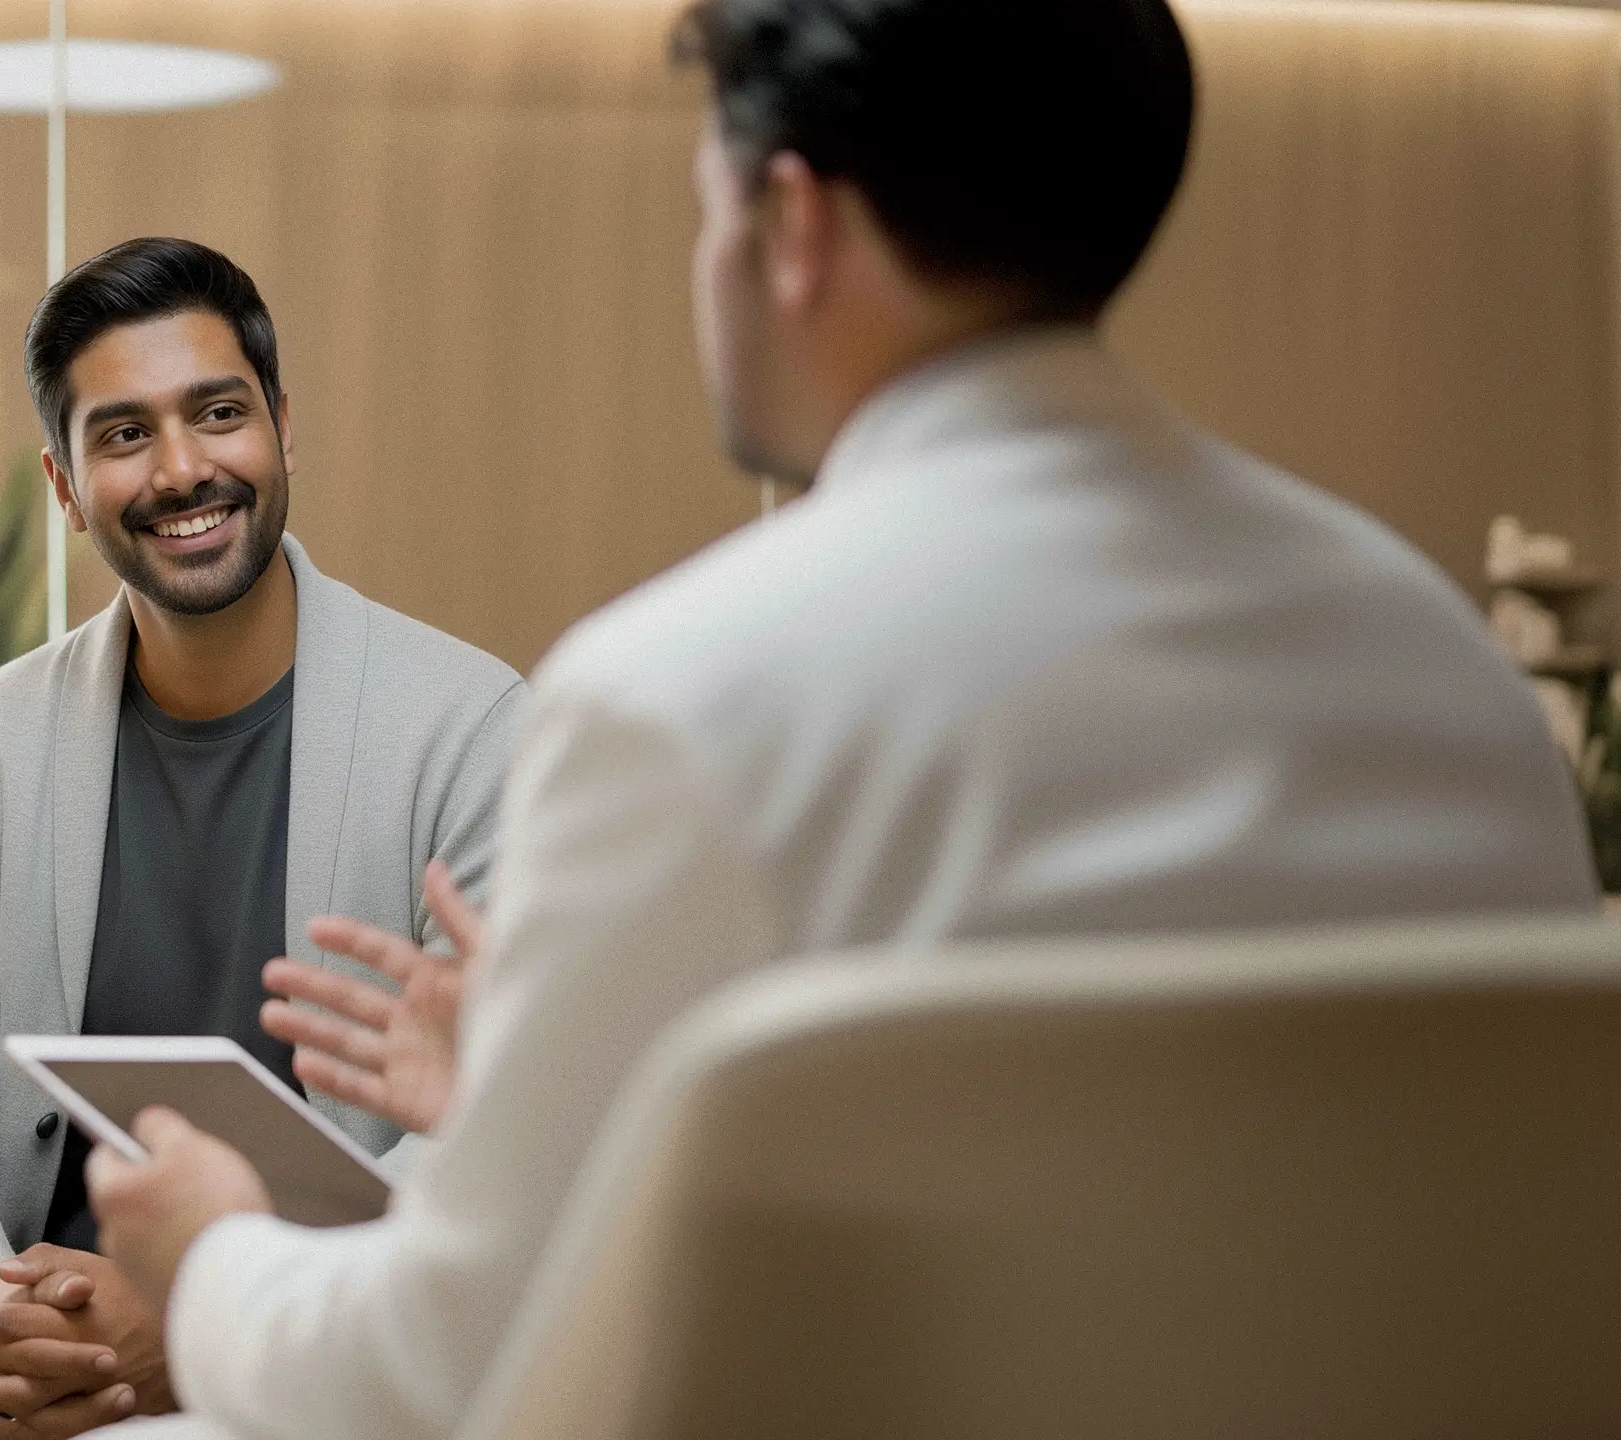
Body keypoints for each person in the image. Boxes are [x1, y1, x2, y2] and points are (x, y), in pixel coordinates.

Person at [82, 2, 1601, 1437]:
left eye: (709, 209)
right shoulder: (1445, 670)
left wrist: (211, 1250)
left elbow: (442, 1389)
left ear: (792, 224)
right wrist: (564, 1105)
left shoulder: (682, 699)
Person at [0, 237, 525, 1440]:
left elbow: (501, 1136)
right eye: (124, 434)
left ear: (283, 428)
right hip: (40, 1313)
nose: (183, 468)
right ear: (66, 484)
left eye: (218, 414)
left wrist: (215, 1308)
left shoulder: (470, 732)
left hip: (317, 1314)